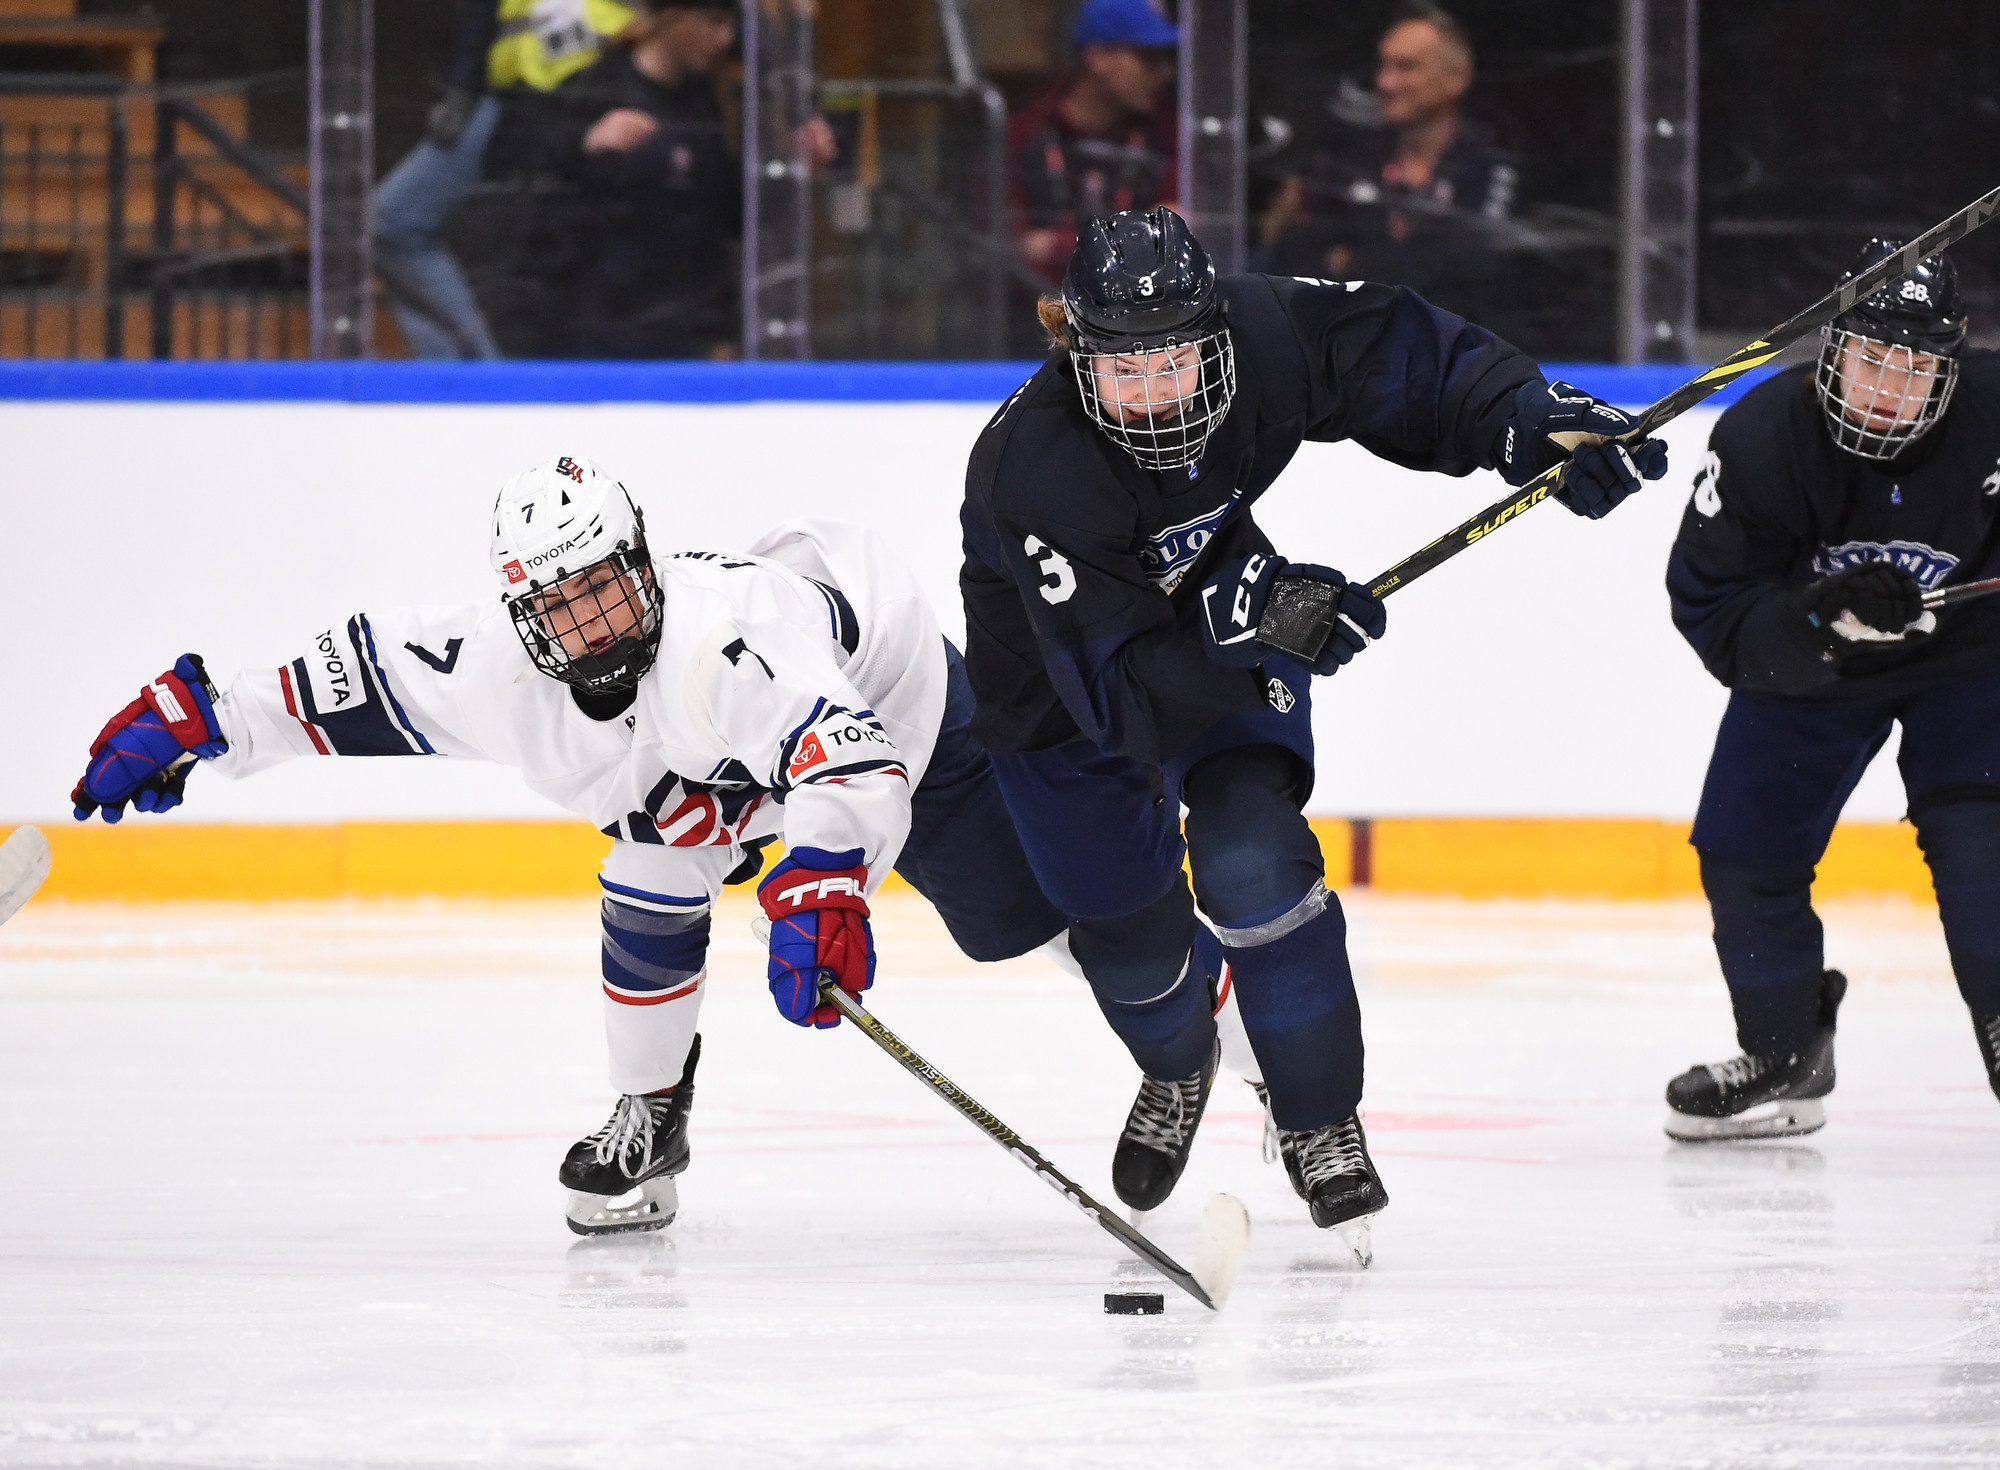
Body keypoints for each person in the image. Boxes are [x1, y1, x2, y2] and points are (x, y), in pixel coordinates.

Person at [70, 453, 1071, 1236]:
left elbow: (847, 760)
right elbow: (355, 684)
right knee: (649, 861)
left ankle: (1207, 1030)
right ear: (522, 610)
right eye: (559, 602)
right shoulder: (497, 670)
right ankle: (650, 1116)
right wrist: (202, 719)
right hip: (714, 770)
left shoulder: (725, 641)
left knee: (1041, 913)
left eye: (604, 585)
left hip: (902, 717)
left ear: (640, 560)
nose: (590, 621)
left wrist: (822, 882)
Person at [959, 206, 1668, 1260]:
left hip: (1220, 630)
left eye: (1176, 365)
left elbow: (1402, 357)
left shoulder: (1263, 333)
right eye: (1124, 374)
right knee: (1134, 948)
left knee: (1253, 862)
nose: (1154, 398)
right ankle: (1178, 1060)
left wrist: (1520, 416)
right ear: (1076, 357)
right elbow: (1118, 695)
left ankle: (1316, 1116)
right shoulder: (1031, 469)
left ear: (1215, 337)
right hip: (1063, 701)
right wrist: (1256, 616)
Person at [1662, 241, 2000, 1140]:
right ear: (1832, 350)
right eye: (1871, 360)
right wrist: (1821, 622)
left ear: (1952, 369)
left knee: (1982, 850)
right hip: (1818, 672)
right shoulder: (1761, 439)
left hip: (1974, 663)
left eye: (1916, 367)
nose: (1888, 387)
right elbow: (1710, 606)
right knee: (1744, 849)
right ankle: (1783, 1050)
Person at [373, 0, 642, 359]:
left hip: (609, 94)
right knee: (393, 219)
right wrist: (462, 86)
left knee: (598, 248)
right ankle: (471, 377)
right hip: (514, 104)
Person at [1264, 2, 1517, 312]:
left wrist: (1353, 263)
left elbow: (1482, 274)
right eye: (1383, 66)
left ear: (1457, 77)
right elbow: (1297, 261)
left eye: (1406, 66)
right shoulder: (1347, 164)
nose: (1385, 82)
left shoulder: (1489, 166)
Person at [554, 0, 747, 358]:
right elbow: (545, 226)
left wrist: (790, 162)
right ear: (670, 16)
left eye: (730, 24)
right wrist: (589, 150)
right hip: (604, 338)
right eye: (712, 20)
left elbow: (731, 219)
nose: (724, 38)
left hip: (693, 335)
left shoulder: (716, 105)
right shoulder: (593, 91)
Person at [1009, 0, 1179, 287]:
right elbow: (1008, 247)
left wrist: (1057, 245)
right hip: (1040, 313)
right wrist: (1135, 239)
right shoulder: (1025, 134)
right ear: (1098, 57)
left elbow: (1176, 231)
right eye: (1148, 58)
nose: (1166, 72)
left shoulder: (1168, 133)